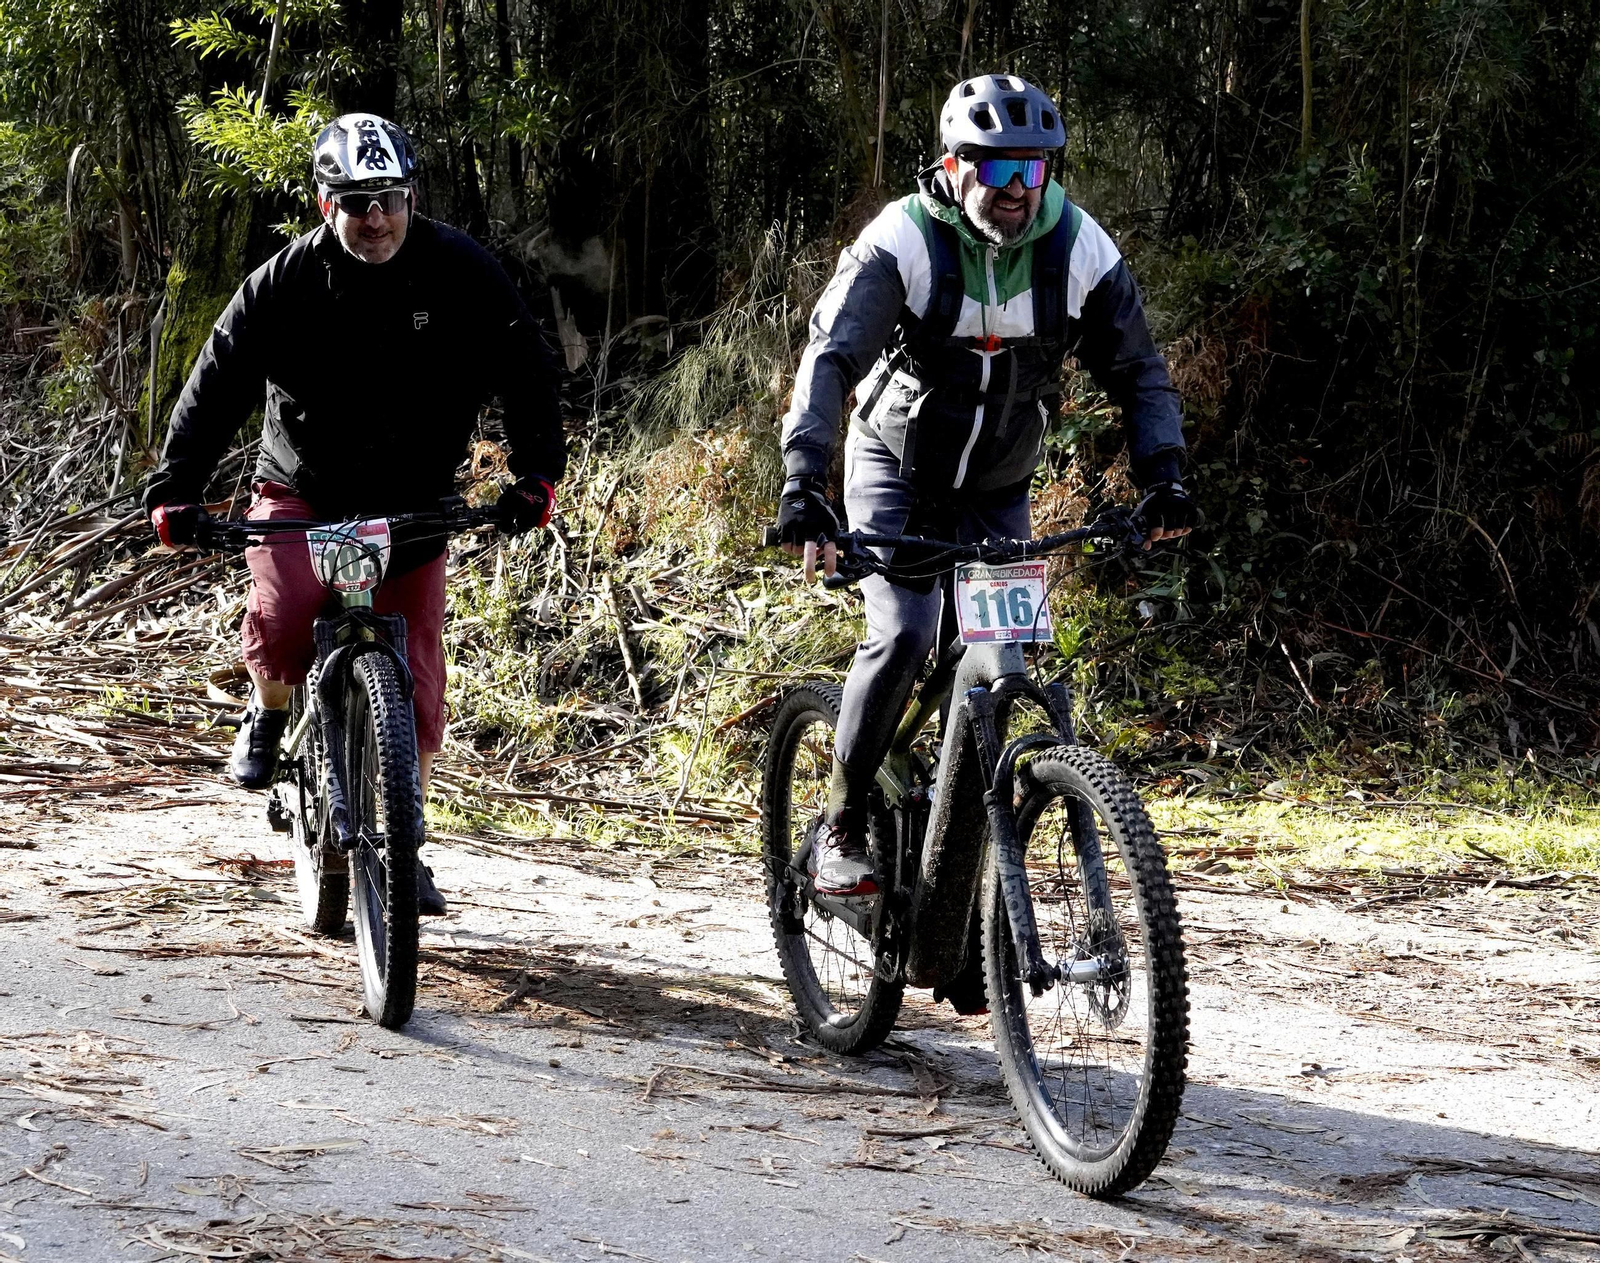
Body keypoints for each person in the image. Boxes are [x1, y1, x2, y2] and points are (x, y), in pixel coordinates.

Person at [775, 73, 1197, 896]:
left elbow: (1140, 370)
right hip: (895, 471)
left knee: (1003, 668)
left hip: (999, 486)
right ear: (951, 163)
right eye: (995, 170)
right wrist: (803, 479)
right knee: (903, 631)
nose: (1014, 191)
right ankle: (842, 819)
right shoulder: (903, 238)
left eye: (1031, 171)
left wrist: (1165, 472)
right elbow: (830, 359)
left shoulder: (1077, 247)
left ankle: (964, 905)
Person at [144, 113, 565, 915]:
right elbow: (218, 378)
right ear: (322, 202)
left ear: (411, 197)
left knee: (420, 669)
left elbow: (524, 364)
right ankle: (269, 713)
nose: (375, 218)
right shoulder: (284, 282)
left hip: (412, 498)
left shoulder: (460, 270)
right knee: (288, 607)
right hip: (304, 490)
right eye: (355, 201)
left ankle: (406, 842)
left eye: (389, 200)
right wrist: (175, 490)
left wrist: (536, 472)